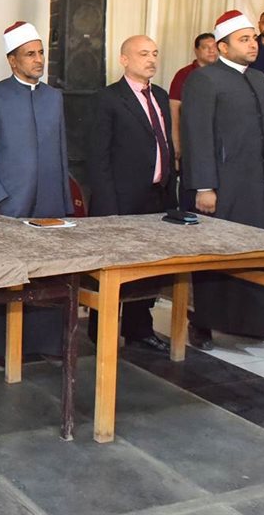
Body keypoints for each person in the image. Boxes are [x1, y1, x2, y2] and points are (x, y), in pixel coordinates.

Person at [180, 10, 264, 351]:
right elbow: (196, 135)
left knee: (259, 255)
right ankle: (202, 323)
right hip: (225, 189)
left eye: (253, 38)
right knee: (218, 259)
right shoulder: (204, 79)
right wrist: (204, 187)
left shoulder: (257, 79)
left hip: (260, 188)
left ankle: (255, 325)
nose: (253, 44)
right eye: (244, 39)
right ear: (223, 47)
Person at [0, 20, 73, 363]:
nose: (38, 60)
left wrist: (64, 200)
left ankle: (45, 346)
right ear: (12, 60)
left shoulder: (54, 98)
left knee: (48, 277)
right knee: (8, 280)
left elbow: (61, 150)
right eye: (30, 54)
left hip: (49, 206)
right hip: (8, 206)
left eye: (41, 53)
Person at [85, 35, 175, 353]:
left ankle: (139, 328)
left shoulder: (160, 96)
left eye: (154, 53)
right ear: (124, 59)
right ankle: (101, 332)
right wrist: (109, 206)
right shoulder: (108, 98)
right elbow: (98, 156)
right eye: (143, 54)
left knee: (148, 268)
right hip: (120, 200)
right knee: (113, 268)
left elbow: (165, 143)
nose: (151, 59)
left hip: (156, 197)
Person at [167, 32, 216, 165]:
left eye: (214, 47)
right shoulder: (184, 74)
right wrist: (176, 141)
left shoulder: (224, 74)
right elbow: (174, 108)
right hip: (191, 139)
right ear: (196, 51)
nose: (212, 51)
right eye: (206, 47)